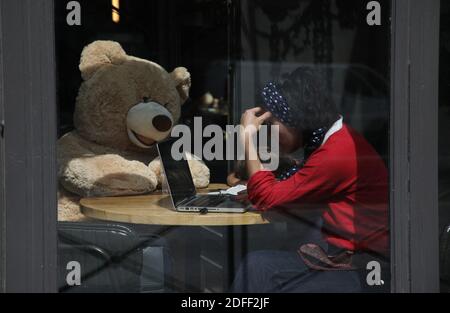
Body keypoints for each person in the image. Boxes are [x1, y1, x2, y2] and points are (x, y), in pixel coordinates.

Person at [231, 67, 389, 293]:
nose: (267, 132)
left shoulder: (336, 152)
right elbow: (289, 192)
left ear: (295, 119)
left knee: (256, 267)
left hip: (360, 272)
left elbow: (268, 198)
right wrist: (258, 188)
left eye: (271, 124)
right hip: (342, 257)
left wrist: (247, 138)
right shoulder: (335, 140)